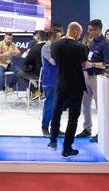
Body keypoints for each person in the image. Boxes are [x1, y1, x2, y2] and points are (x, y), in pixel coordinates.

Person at [48, 22, 88, 158]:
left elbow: (54, 62)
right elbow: (84, 65)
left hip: (60, 84)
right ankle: (67, 148)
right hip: (76, 85)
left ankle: (52, 141)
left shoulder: (55, 45)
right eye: (80, 34)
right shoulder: (81, 47)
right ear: (75, 32)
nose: (80, 36)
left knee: (56, 112)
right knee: (73, 118)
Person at [78, 19, 109, 141]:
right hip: (88, 76)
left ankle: (102, 132)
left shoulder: (105, 44)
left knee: (100, 106)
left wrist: (92, 65)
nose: (89, 32)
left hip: (98, 78)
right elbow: (90, 57)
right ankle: (87, 128)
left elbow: (108, 65)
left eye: (91, 30)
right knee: (85, 104)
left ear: (98, 30)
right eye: (88, 29)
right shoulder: (92, 42)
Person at [41, 28, 64, 137]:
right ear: (52, 38)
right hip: (49, 80)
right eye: (60, 37)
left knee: (58, 106)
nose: (62, 39)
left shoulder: (59, 47)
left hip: (59, 79)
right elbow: (53, 62)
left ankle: (55, 128)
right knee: (49, 105)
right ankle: (45, 127)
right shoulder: (46, 47)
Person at [18, 30, 48, 99]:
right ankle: (41, 91)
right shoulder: (50, 47)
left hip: (39, 74)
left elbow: (26, 62)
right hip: (49, 73)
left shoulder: (34, 48)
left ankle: (35, 90)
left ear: (37, 37)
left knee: (20, 73)